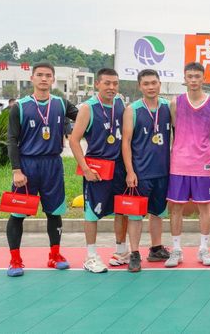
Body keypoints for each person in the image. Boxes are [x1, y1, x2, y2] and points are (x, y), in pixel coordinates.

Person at [5, 62, 78, 277]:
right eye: (39, 75)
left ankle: (55, 256)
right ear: (32, 78)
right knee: (17, 213)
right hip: (27, 166)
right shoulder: (20, 106)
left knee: (54, 212)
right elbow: (12, 140)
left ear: (53, 79)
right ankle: (15, 260)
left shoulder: (61, 103)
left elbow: (86, 118)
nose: (44, 78)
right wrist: (16, 170)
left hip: (53, 165)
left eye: (48, 75)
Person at [69, 68, 129, 273]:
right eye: (107, 83)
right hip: (97, 168)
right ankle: (91, 256)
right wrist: (85, 169)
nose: (112, 87)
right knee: (92, 212)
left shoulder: (120, 103)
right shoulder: (88, 108)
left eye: (115, 83)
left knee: (121, 209)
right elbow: (74, 140)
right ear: (97, 84)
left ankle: (121, 251)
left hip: (119, 167)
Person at [165, 62, 210, 268]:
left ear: (204, 78)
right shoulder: (176, 103)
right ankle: (176, 250)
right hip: (179, 163)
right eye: (190, 76)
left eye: (198, 76)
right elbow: (175, 130)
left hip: (201, 164)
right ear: (185, 78)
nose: (194, 80)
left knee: (204, 208)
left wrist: (204, 155)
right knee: (176, 208)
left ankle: (204, 249)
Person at [121, 69, 172, 272]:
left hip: (163, 171)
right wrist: (130, 171)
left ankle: (156, 248)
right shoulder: (132, 110)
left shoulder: (168, 107)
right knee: (136, 215)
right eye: (146, 84)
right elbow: (125, 142)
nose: (151, 87)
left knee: (158, 212)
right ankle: (134, 253)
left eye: (154, 83)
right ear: (140, 86)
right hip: (141, 172)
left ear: (160, 83)